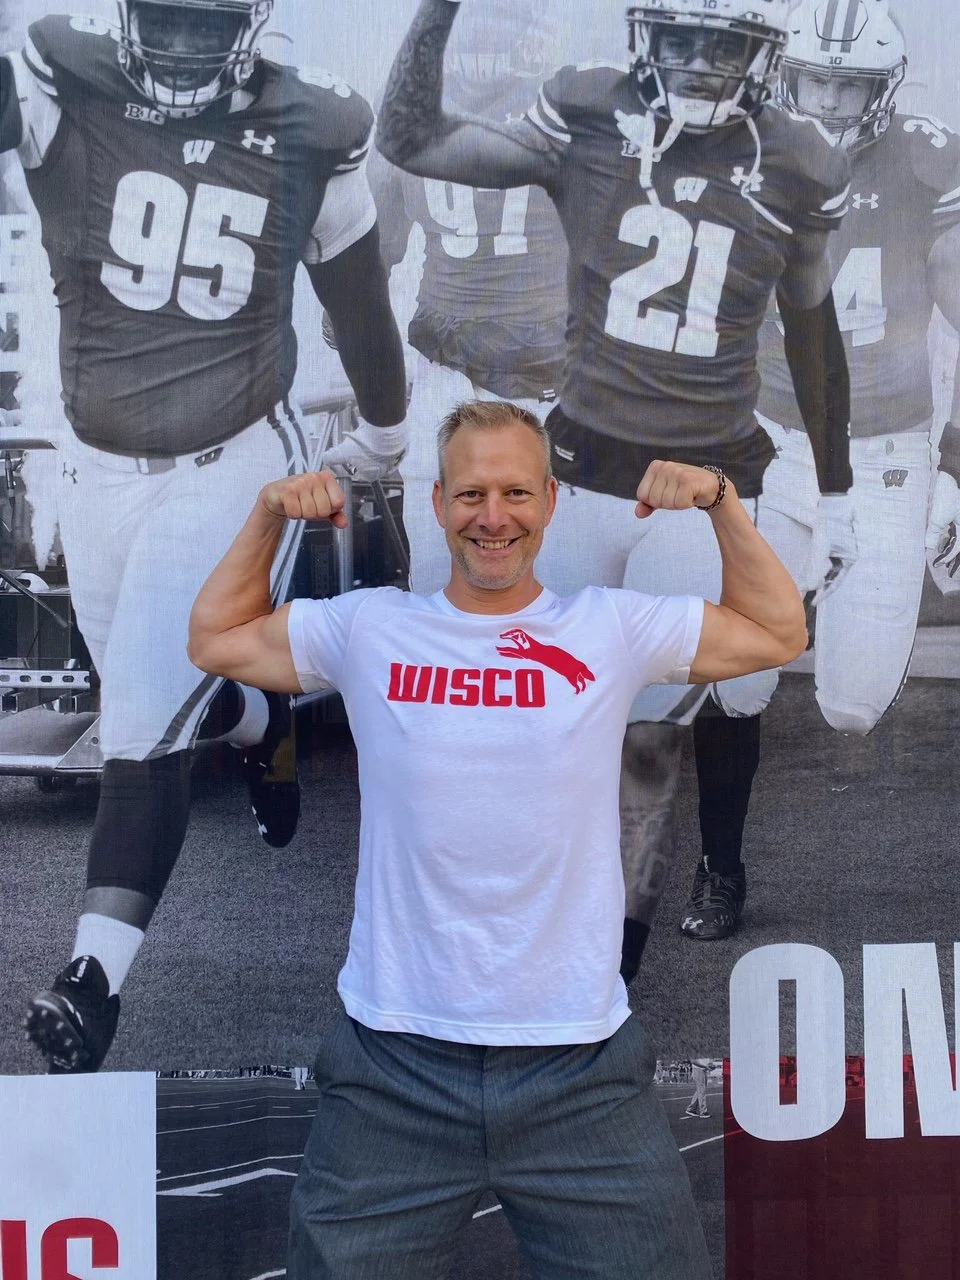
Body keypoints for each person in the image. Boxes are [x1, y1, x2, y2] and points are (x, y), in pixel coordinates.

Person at [188, 399, 807, 1278]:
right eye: (471, 493)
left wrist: (720, 507)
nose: (493, 516)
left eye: (516, 491)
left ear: (551, 501)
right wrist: (263, 517)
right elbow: (214, 636)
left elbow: (780, 629)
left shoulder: (608, 626)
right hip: (393, 1070)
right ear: (438, 504)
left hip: (580, 1071)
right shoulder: (372, 626)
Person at [375, 0, 855, 966]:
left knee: (674, 710)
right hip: (580, 465)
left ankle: (624, 941)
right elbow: (413, 138)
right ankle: (520, 910)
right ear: (649, 35)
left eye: (725, 45)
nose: (702, 64)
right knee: (534, 699)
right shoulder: (586, 109)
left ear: (761, 56)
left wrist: (837, 490)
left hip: (705, 476)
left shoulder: (799, 160)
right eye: (684, 39)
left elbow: (811, 324)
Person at [0, 0, 406, 1073]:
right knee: (164, 684)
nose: (181, 43)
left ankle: (92, 981)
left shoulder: (310, 124)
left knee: (138, 705)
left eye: (204, 20)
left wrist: (384, 429)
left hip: (235, 462)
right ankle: (259, 710)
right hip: (96, 463)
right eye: (163, 18)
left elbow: (357, 292)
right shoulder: (59, 76)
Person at [751, 0, 960, 735]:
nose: (832, 100)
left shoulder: (926, 160)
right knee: (731, 680)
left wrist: (957, 464)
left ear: (885, 90)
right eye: (815, 82)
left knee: (853, 707)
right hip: (768, 439)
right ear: (787, 79)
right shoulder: (747, 150)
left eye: (852, 85)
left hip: (883, 449)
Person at [367, 0, 568, 595]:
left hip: (449, 367)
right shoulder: (567, 125)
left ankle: (451, 673)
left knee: (445, 560)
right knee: (542, 563)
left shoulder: (410, 126)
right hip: (540, 373)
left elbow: (367, 268)